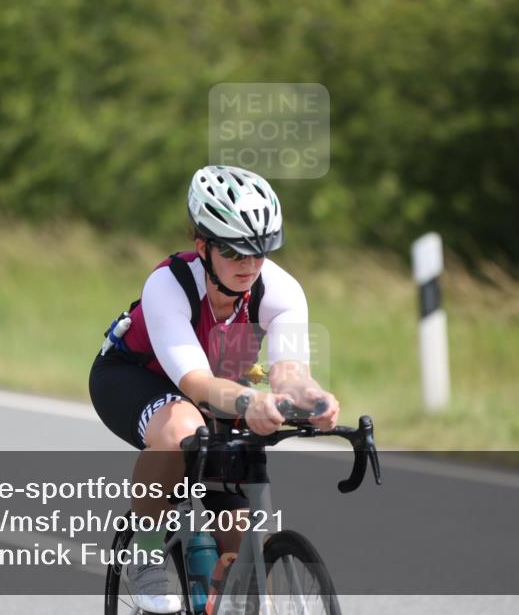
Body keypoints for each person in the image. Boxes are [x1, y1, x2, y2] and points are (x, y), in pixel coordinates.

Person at [89, 165, 340, 613]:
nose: (249, 265)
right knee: (182, 429)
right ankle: (146, 550)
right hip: (136, 376)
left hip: (220, 392)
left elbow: (289, 374)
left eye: (260, 252)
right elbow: (195, 383)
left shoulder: (280, 290)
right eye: (234, 251)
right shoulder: (169, 284)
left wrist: (314, 399)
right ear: (203, 246)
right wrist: (251, 400)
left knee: (242, 545)